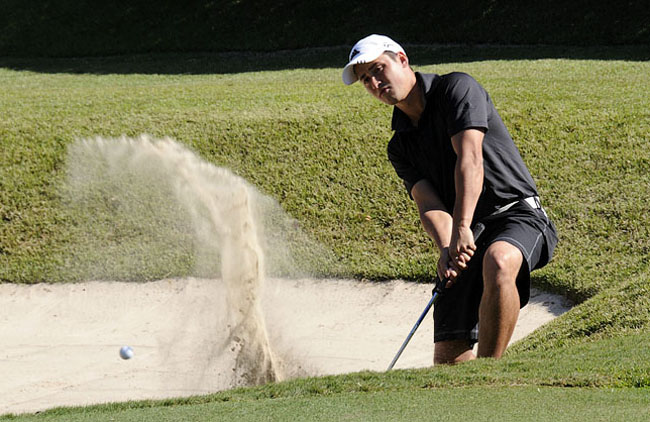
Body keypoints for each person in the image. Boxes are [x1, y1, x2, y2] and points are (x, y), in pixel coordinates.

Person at [342, 34, 558, 364]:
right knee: (447, 359)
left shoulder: (457, 88)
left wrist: (462, 227)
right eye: (365, 79)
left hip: (516, 214)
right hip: (466, 232)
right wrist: (447, 245)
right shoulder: (399, 146)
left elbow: (470, 160)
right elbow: (428, 203)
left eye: (378, 68)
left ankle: (489, 374)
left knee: (499, 261)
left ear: (402, 59)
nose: (374, 82)